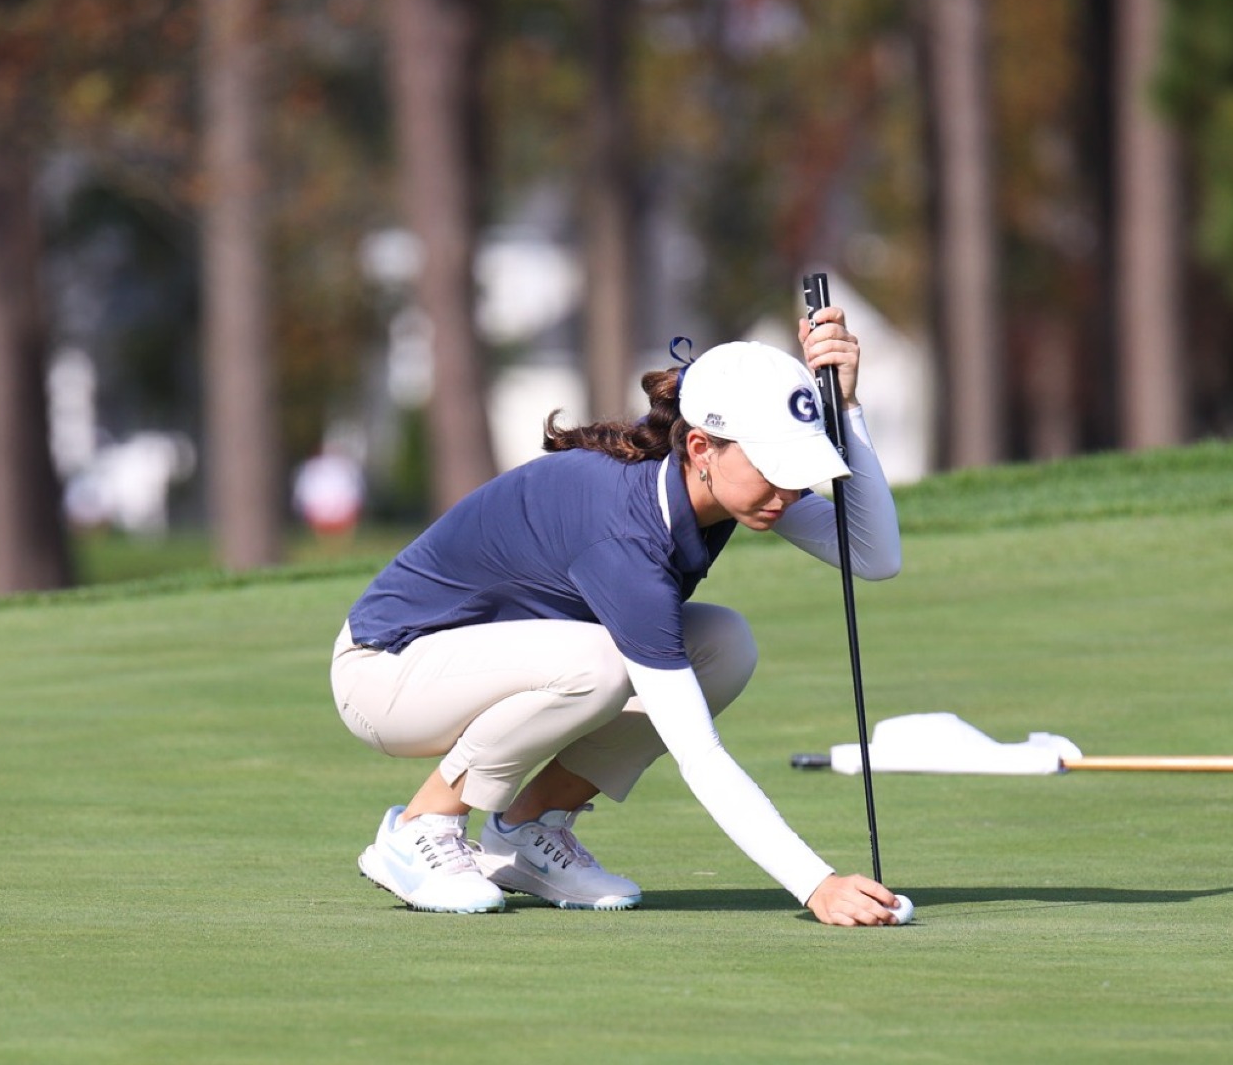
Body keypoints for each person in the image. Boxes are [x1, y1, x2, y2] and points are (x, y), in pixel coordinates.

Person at [329, 307, 906, 926]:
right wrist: (814, 885)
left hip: (478, 663)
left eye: (794, 469)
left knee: (723, 644)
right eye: (771, 468)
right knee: (601, 664)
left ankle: (526, 832)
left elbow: (872, 556)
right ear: (701, 446)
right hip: (387, 672)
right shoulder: (624, 533)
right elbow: (700, 756)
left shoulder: (714, 478)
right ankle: (422, 827)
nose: (786, 492)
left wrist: (846, 409)